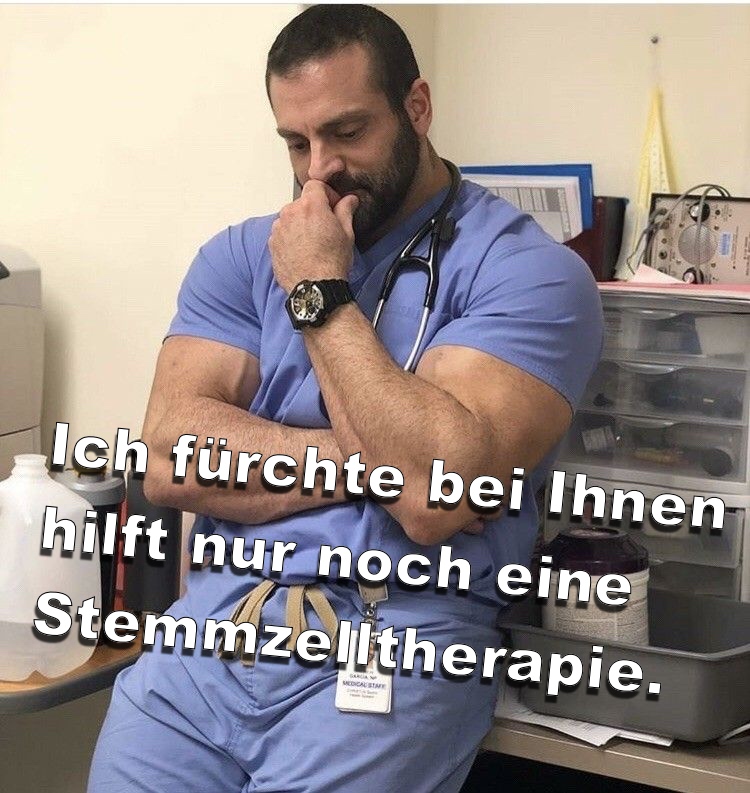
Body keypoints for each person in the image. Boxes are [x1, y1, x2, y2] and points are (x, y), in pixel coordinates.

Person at [88, 5, 603, 792]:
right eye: (297, 143)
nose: (318, 171)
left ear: (417, 107)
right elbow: (169, 458)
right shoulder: (241, 256)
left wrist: (320, 290)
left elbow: (434, 495)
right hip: (209, 636)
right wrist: (371, 460)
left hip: (394, 642)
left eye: (347, 132)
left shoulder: (527, 273)